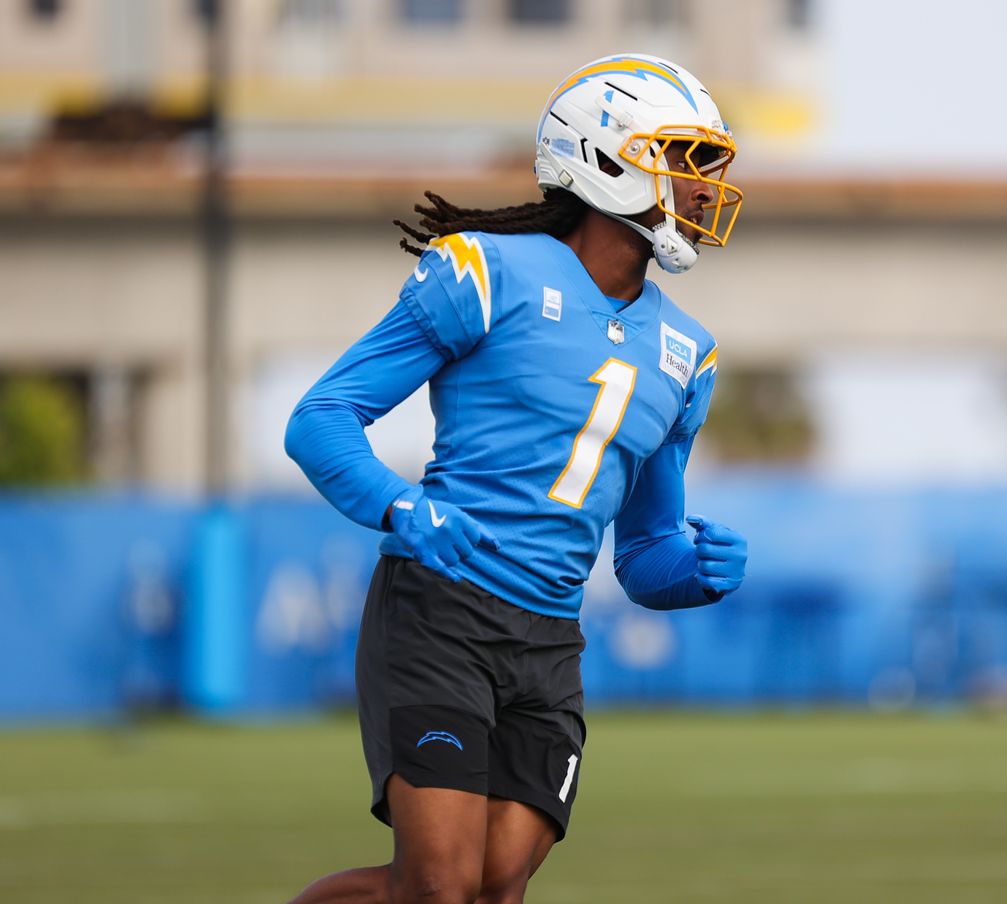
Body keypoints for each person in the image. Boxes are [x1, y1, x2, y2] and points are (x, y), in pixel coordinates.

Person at [284, 53, 749, 904]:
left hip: (551, 640)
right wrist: (401, 505)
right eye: (682, 160)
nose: (700, 187)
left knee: (495, 884)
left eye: (706, 166)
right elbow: (321, 417)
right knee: (441, 885)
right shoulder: (485, 272)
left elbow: (645, 551)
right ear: (604, 155)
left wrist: (696, 572)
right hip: (441, 613)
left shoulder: (689, 353)